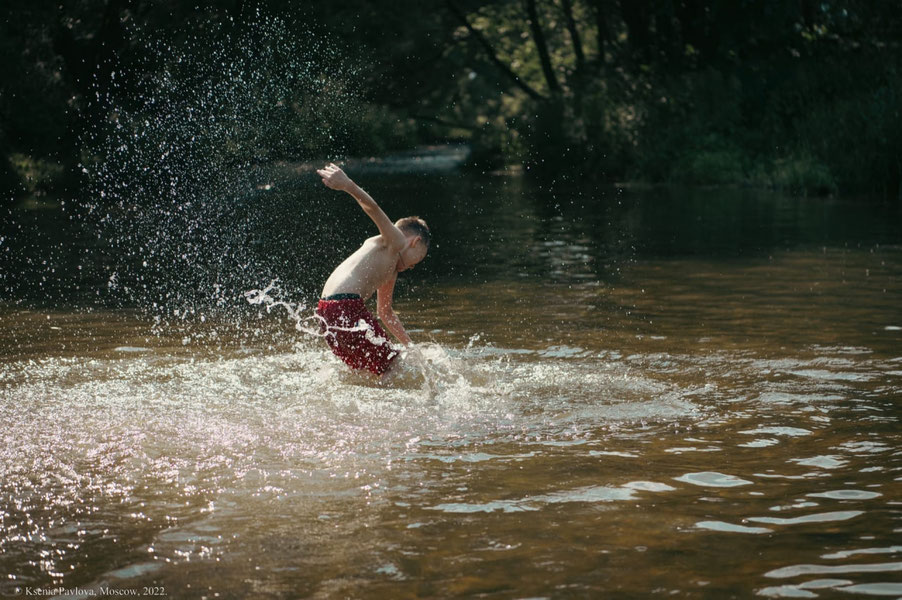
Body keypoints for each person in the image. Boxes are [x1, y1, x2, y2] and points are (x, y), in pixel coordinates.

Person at [314, 163, 430, 376]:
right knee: (390, 365)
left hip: (326, 311)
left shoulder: (390, 270)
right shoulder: (395, 241)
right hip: (344, 306)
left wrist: (411, 347)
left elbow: (385, 312)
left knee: (369, 369)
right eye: (417, 259)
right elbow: (373, 208)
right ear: (414, 242)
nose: (412, 266)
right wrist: (348, 185)